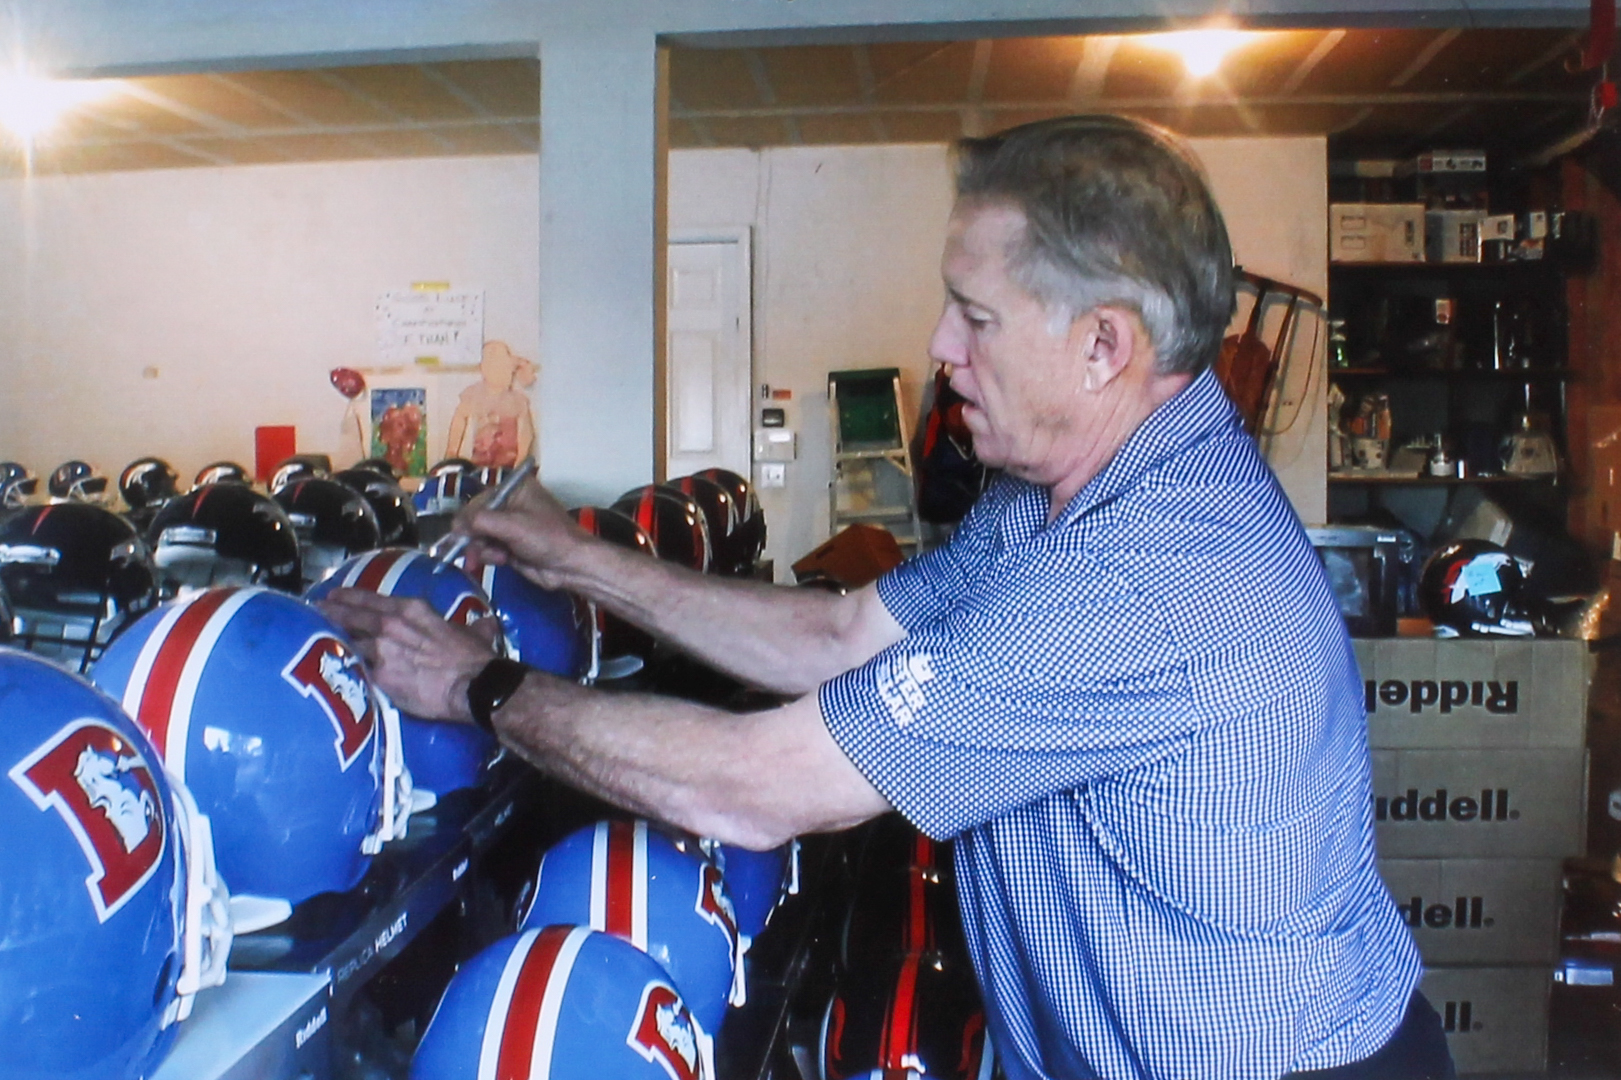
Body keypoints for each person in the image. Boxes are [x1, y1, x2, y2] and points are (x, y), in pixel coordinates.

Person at [323, 116, 1449, 1080]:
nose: (938, 346)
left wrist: (478, 687)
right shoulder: (1058, 498)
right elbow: (839, 632)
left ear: (1103, 344)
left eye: (976, 313)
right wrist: (577, 562)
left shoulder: (1142, 579)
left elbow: (759, 788)